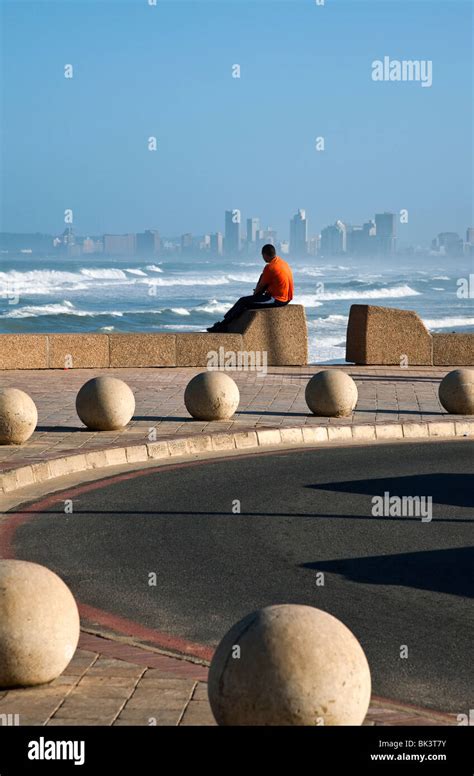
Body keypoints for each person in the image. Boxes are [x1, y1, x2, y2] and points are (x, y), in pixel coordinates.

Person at [207, 244, 294, 332]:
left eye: (262, 255)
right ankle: (224, 323)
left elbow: (261, 286)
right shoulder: (283, 263)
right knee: (257, 285)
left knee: (243, 301)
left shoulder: (270, 267)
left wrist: (256, 293)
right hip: (287, 298)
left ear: (264, 255)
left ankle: (223, 325)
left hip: (278, 300)